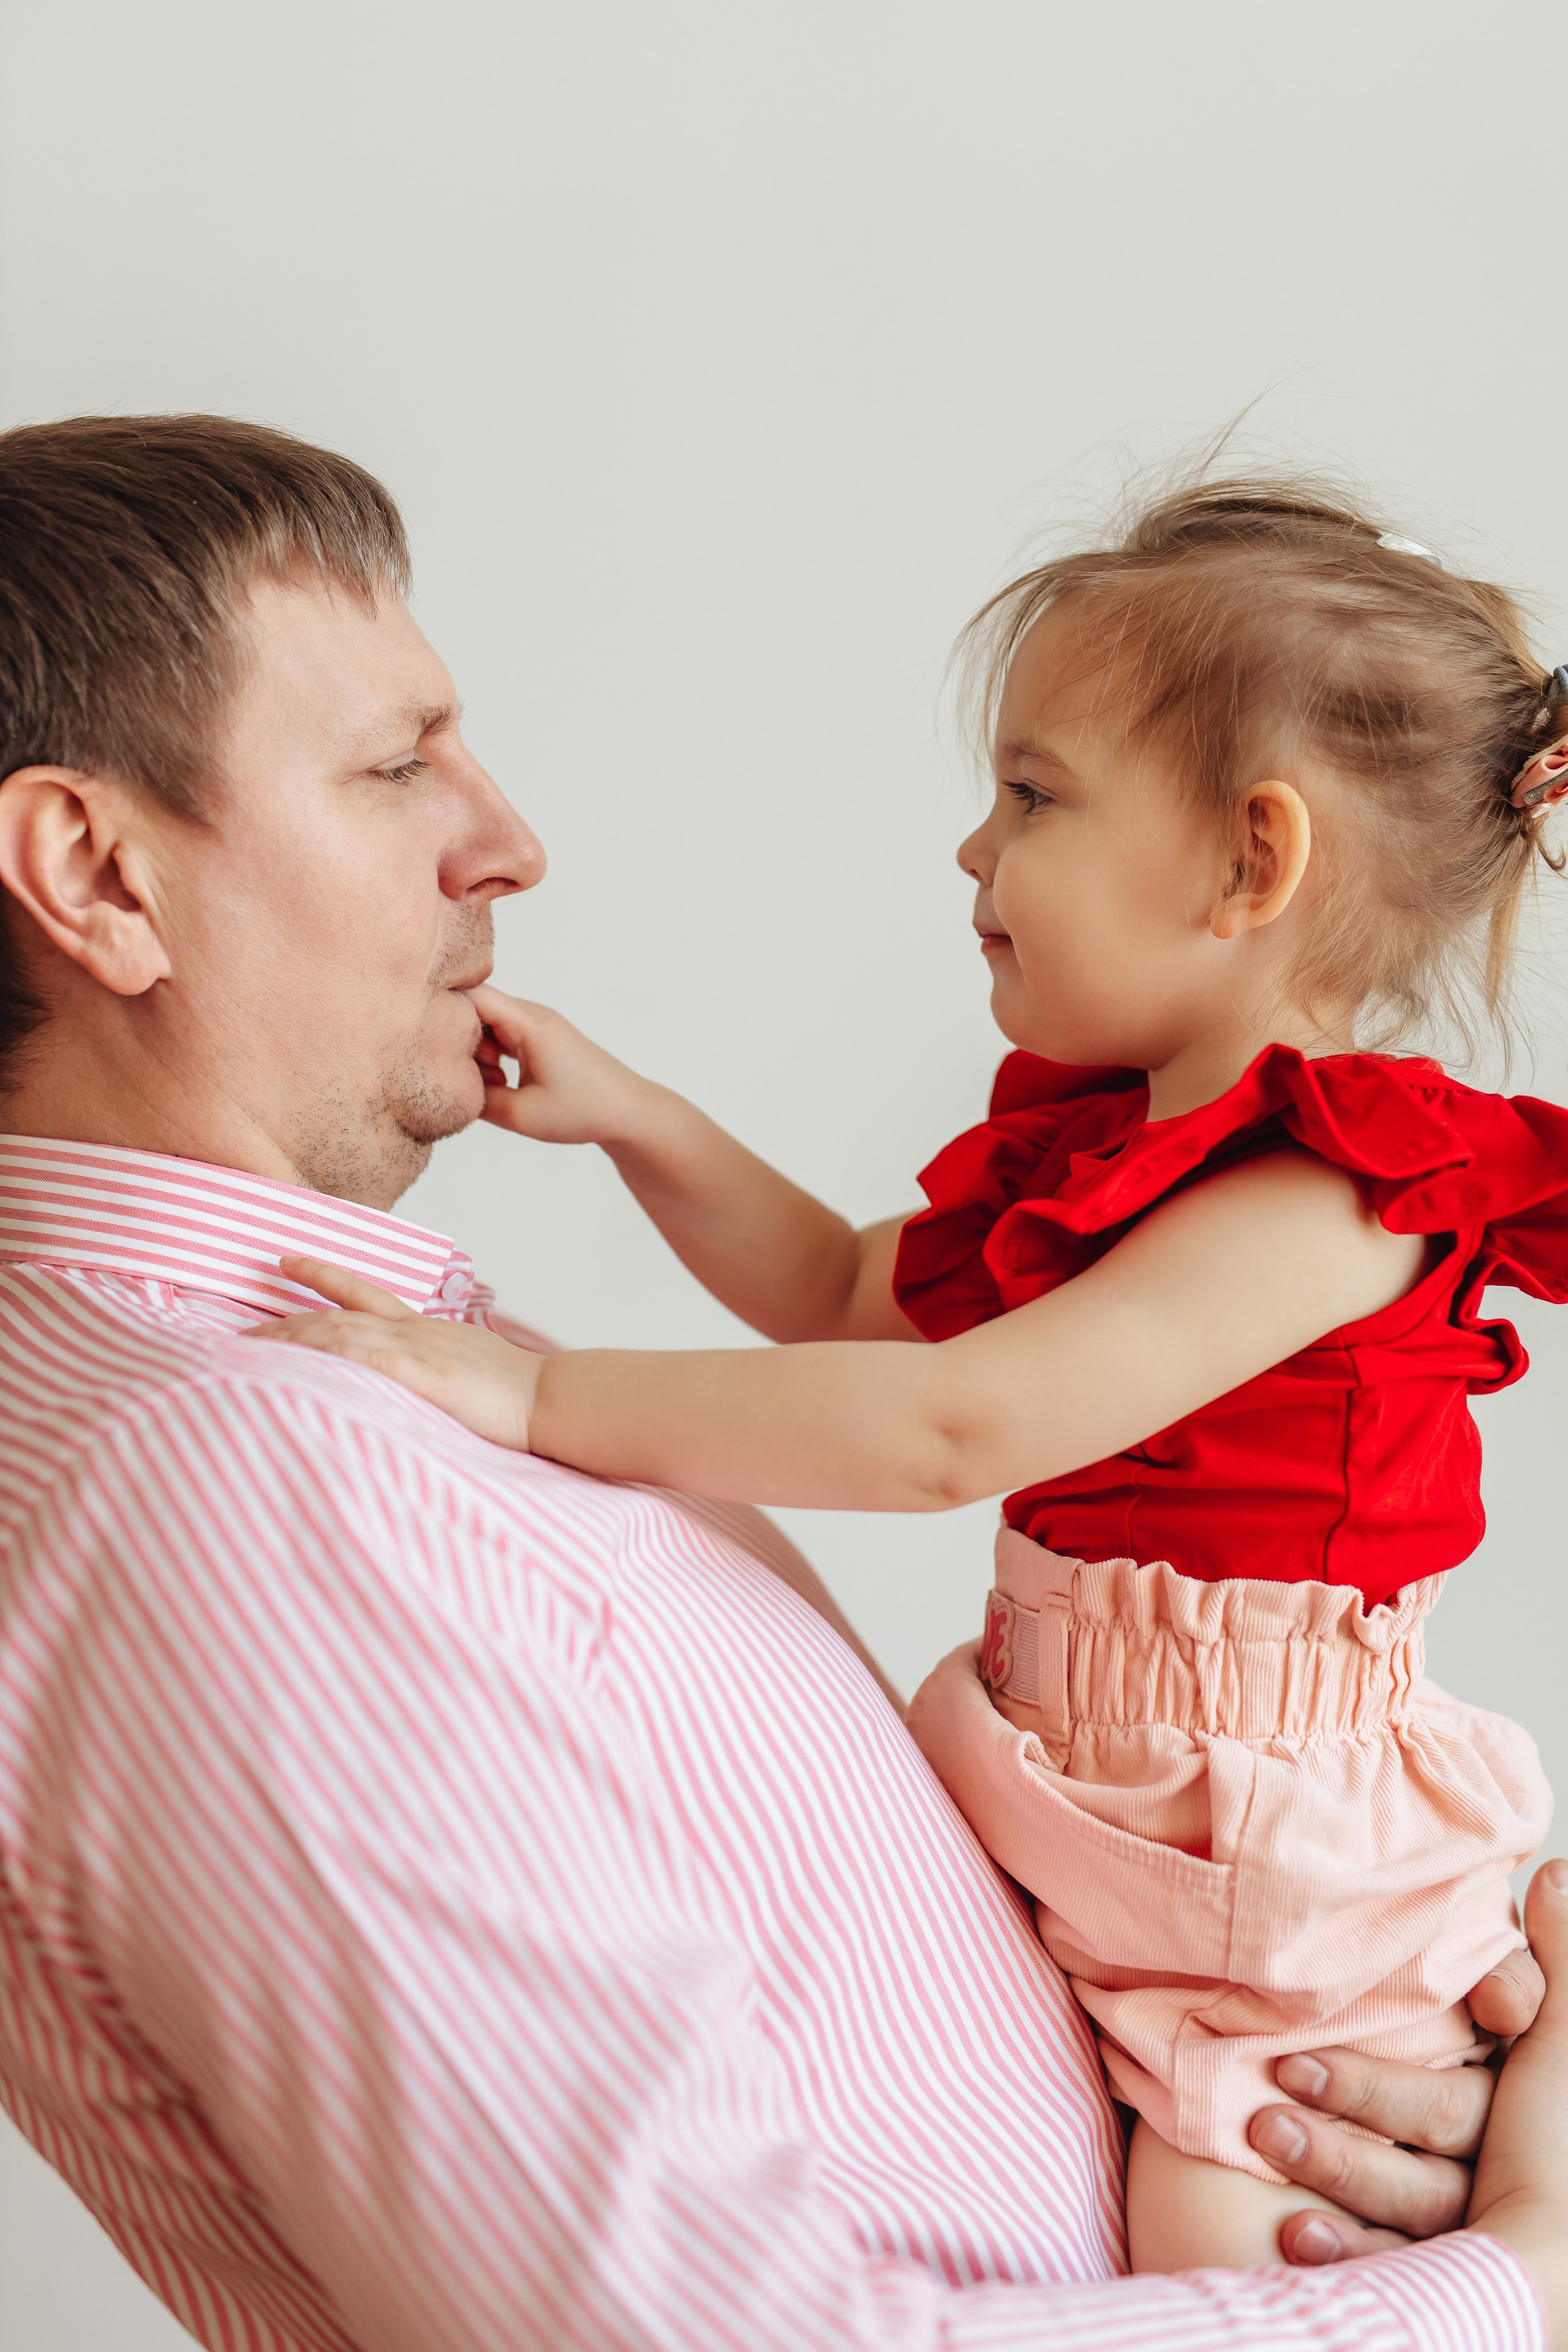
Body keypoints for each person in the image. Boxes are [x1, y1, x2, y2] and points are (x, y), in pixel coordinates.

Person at [0, 417, 1560, 2352]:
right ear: (97, 873)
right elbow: (867, 1322)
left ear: (1252, 862)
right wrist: (1516, 2282)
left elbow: (942, 1419)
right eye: (398, 762)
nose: (510, 840)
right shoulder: (254, 1481)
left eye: (1036, 796)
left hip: (1259, 1854)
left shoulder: (1323, 1183)